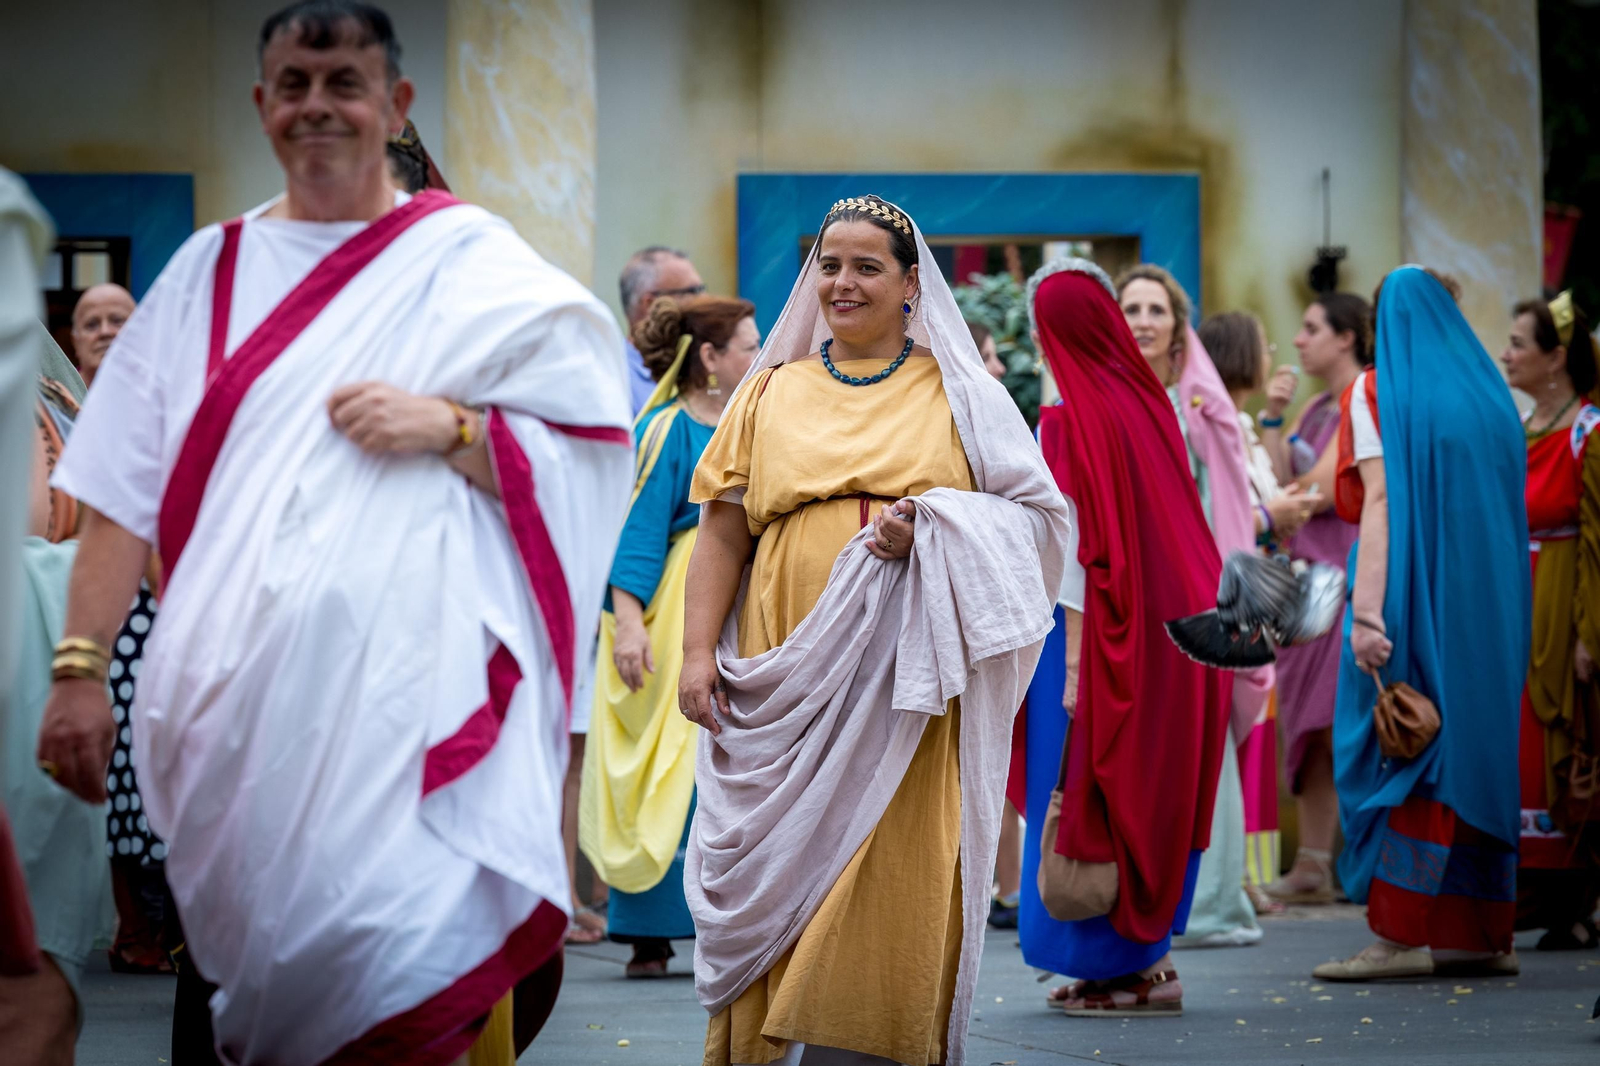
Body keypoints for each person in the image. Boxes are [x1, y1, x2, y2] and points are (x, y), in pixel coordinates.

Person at [34, 4, 633, 1063]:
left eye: (344, 83)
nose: (319, 106)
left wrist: (455, 429)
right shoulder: (202, 278)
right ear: (262, 107)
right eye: (295, 85)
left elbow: (591, 444)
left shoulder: (471, 265)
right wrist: (80, 668)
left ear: (393, 102)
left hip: (414, 705)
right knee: (245, 1004)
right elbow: (123, 489)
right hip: (231, 710)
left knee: (399, 989)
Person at [680, 195, 1068, 1065]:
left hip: (910, 673)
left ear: (909, 285)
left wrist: (935, 523)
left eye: (866, 267)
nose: (843, 283)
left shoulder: (962, 392)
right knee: (784, 855)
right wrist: (697, 652)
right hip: (788, 663)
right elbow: (723, 529)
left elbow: (1040, 522)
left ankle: (865, 1046)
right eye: (829, 264)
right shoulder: (769, 392)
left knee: (886, 854)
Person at [1018, 257, 1228, 1016]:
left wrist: (1076, 667)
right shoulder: (1148, 404)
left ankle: (1127, 972)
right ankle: (1146, 959)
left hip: (1103, 635)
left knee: (1085, 788)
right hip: (1179, 638)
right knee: (1148, 789)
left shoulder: (1069, 420)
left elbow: (1081, 549)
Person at [1314, 266, 1529, 981]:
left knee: (1409, 750)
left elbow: (1380, 505)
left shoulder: (1377, 390)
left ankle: (1398, 937)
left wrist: (1367, 616)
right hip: (1493, 606)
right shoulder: (1492, 394)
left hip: (1410, 593)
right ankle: (1481, 935)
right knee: (1472, 746)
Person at [579, 294, 759, 979]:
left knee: (716, 768)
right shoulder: (663, 428)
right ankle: (648, 932)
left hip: (731, 611)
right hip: (670, 616)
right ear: (709, 359)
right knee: (662, 777)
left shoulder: (750, 421)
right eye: (745, 343)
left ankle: (718, 917)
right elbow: (638, 531)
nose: (757, 352)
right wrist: (628, 625)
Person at [1116, 265, 1264, 948]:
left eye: (1156, 310)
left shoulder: (1198, 406)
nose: (1143, 320)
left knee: (1202, 752)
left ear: (1178, 327)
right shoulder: (1111, 396)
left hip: (1192, 598)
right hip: (1127, 600)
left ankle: (1207, 902)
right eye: (1131, 308)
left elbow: (1228, 502)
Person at [1198, 311, 1324, 912]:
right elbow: (1215, 518)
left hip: (1256, 593)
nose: (1275, 349)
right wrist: (1274, 515)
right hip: (1233, 591)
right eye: (1264, 342)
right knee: (1236, 734)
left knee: (1255, 735)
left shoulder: (1242, 425)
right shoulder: (1207, 423)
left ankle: (1244, 871)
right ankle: (1231, 874)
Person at [1257, 293, 1372, 905]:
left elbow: (1317, 491)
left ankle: (1344, 857)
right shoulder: (1319, 406)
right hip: (1306, 582)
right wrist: (1274, 418)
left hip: (1342, 574)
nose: (1299, 341)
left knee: (1334, 720)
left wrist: (1281, 491)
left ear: (1347, 337)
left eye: (1310, 329)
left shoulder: (1364, 396)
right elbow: (1278, 487)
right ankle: (1315, 861)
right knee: (1308, 722)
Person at [1502, 291, 1600, 950]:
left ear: (1556, 356)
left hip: (1563, 596)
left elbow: (1598, 536)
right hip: (1517, 597)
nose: (1506, 355)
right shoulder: (1517, 427)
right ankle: (1532, 892)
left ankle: (1569, 894)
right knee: (1518, 749)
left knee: (1562, 742)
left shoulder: (1586, 431)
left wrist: (1589, 632)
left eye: (1518, 343)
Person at [619, 247, 705, 413]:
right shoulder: (616, 378)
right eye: (693, 292)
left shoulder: (703, 370)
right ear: (651, 304)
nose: (704, 301)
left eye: (702, 290)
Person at [67, 283, 135, 388]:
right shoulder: (54, 400)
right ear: (75, 342)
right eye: (91, 325)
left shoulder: (161, 398)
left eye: (117, 321)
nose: (105, 332)